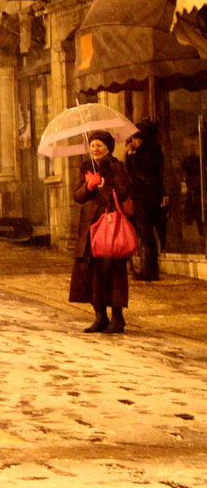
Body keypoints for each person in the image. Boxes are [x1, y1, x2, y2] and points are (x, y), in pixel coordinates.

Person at [70, 130, 134, 334]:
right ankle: (99, 317)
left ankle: (117, 318)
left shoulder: (117, 167)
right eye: (93, 145)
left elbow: (124, 193)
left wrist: (105, 187)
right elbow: (78, 196)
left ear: (108, 147)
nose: (95, 149)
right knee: (91, 273)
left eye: (99, 145)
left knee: (112, 272)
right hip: (89, 228)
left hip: (109, 226)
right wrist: (88, 186)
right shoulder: (86, 167)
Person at [125, 122, 166, 281]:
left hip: (147, 197)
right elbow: (131, 172)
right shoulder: (142, 152)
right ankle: (147, 268)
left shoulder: (150, 152)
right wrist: (130, 156)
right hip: (142, 196)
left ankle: (149, 270)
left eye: (136, 138)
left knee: (146, 232)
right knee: (144, 232)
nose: (134, 141)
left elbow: (141, 174)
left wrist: (132, 156)